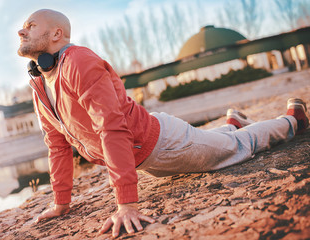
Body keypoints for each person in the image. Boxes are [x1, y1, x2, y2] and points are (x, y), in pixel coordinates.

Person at [17, 9, 309, 238]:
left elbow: (111, 127)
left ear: (57, 33)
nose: (21, 30)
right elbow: (56, 145)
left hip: (162, 144)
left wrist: (127, 205)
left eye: (31, 25)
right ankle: (232, 123)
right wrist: (61, 202)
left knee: (237, 148)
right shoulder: (40, 85)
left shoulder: (78, 62)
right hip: (147, 150)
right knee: (218, 141)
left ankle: (291, 120)